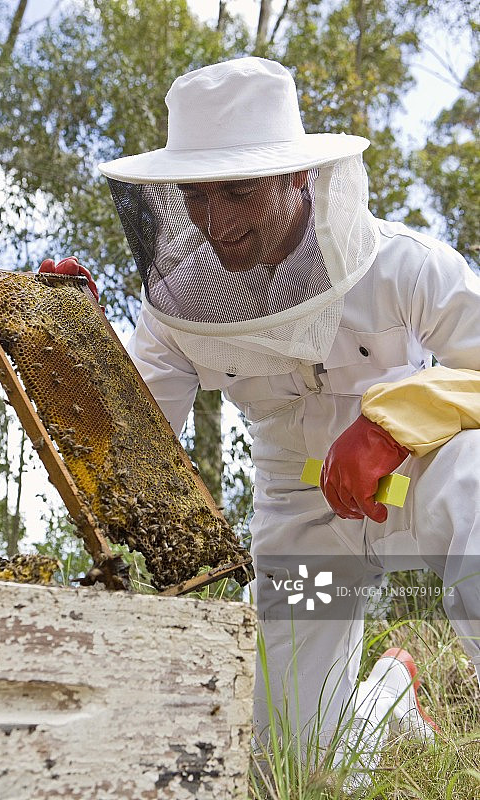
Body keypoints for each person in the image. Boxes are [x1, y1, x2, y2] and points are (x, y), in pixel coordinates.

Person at [40, 57, 480, 787]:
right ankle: (391, 697)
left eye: (239, 191)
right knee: (287, 763)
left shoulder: (405, 266)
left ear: (298, 176)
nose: (217, 223)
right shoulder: (176, 305)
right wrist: (83, 355)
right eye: (196, 197)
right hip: (302, 517)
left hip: (409, 485)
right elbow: (135, 445)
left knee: (473, 477)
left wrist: (398, 419)